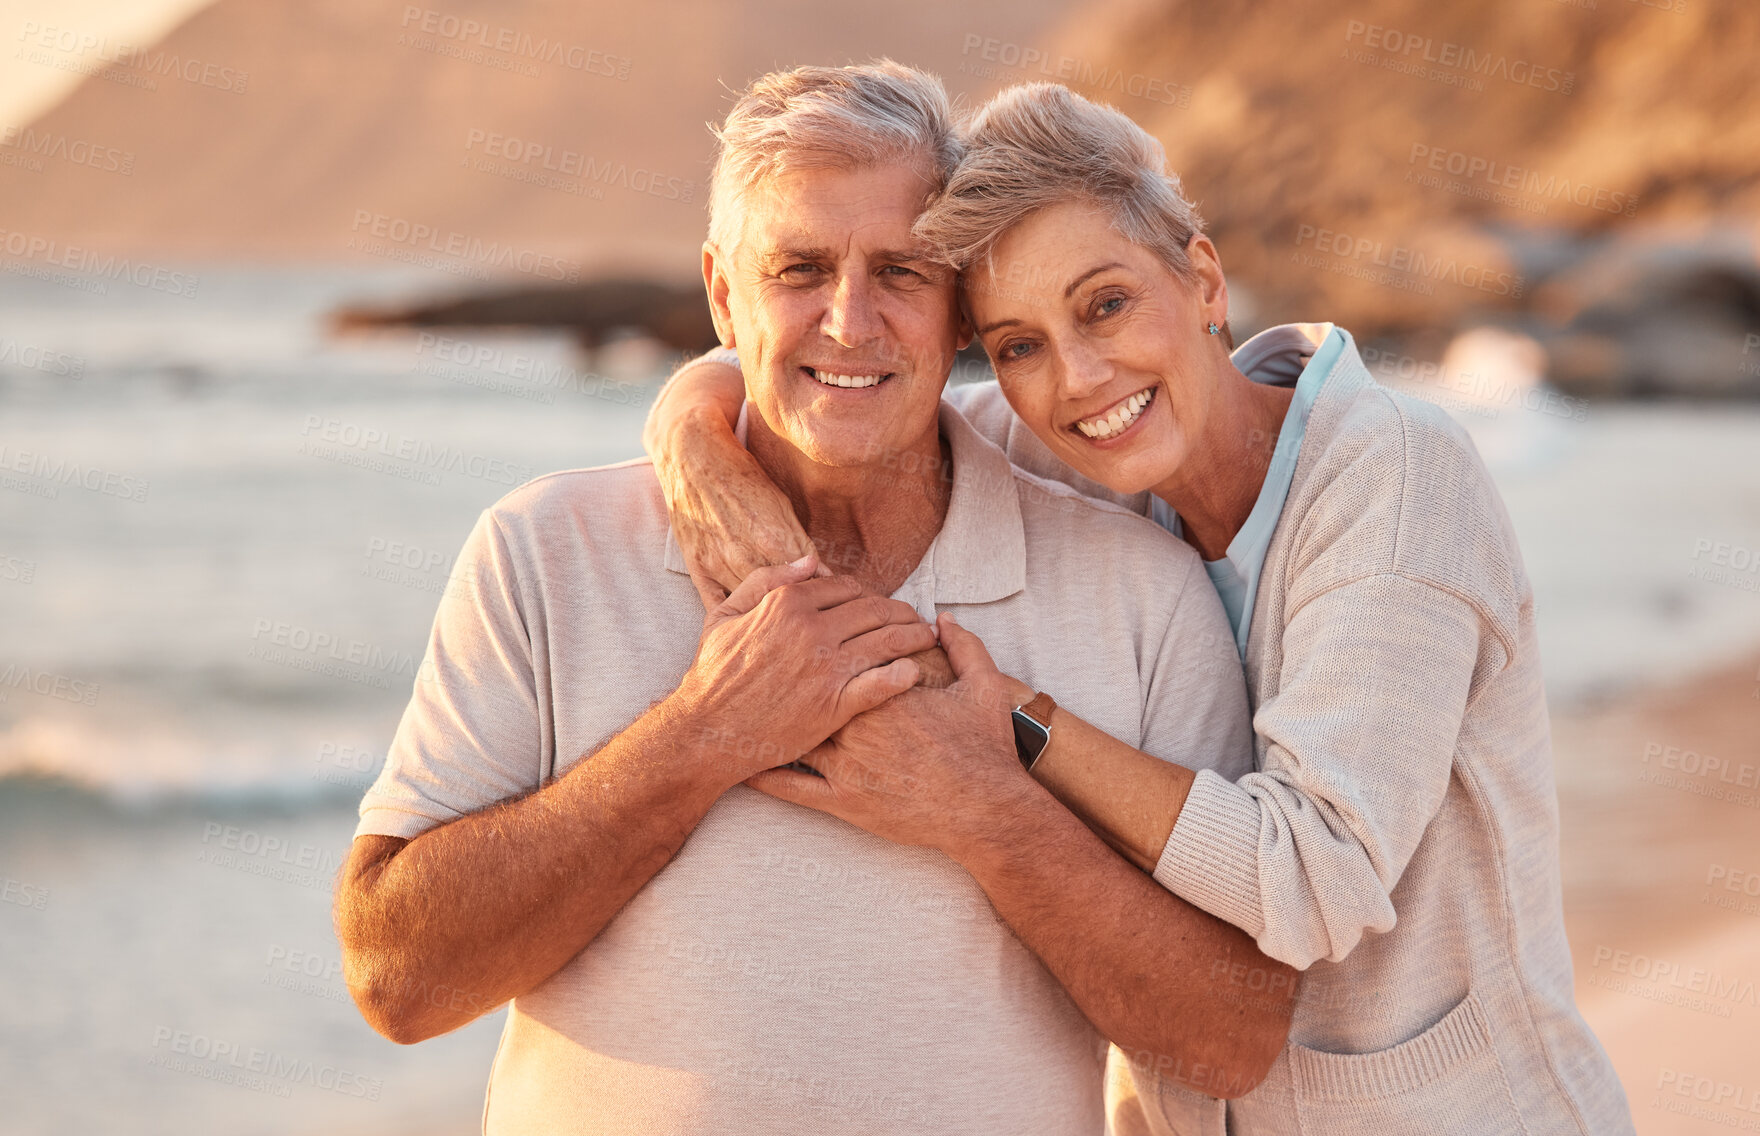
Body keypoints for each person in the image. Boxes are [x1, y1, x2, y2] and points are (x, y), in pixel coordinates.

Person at [645, 81, 1635, 1134]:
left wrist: (1012, 727)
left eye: (1105, 304)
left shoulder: (1394, 478)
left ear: (1201, 277)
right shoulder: (1067, 443)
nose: (1076, 376)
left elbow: (1313, 872)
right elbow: (830, 378)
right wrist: (688, 427)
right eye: (1016, 343)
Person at [334, 62, 1295, 1136]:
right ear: (719, 294)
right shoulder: (540, 552)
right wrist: (702, 735)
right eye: (798, 268)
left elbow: (1234, 1035)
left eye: (900, 270)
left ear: (962, 307)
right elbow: (398, 980)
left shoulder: (1139, 591)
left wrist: (987, 813)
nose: (850, 320)